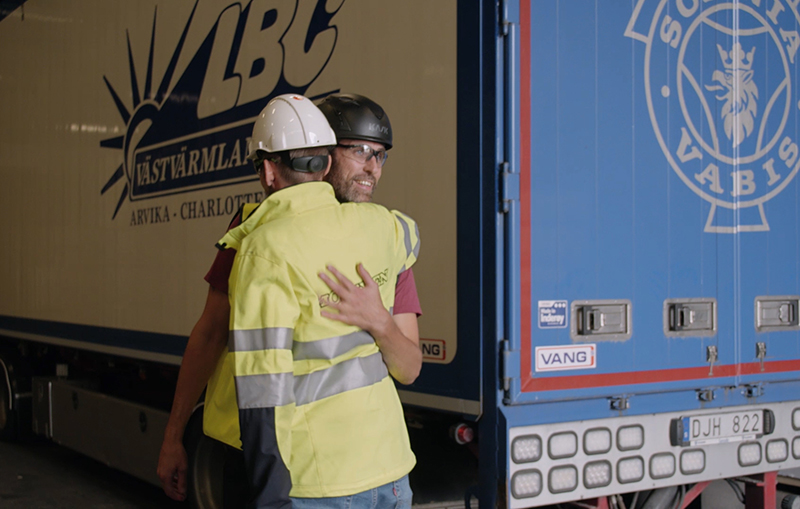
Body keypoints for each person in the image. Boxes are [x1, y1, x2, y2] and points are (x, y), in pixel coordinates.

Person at [156, 93, 422, 505]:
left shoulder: (378, 236)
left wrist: (380, 322)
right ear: (326, 156)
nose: (372, 168)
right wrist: (174, 437)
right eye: (359, 152)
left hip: (319, 473)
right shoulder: (256, 234)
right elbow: (210, 335)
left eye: (380, 156)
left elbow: (409, 367)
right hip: (297, 461)